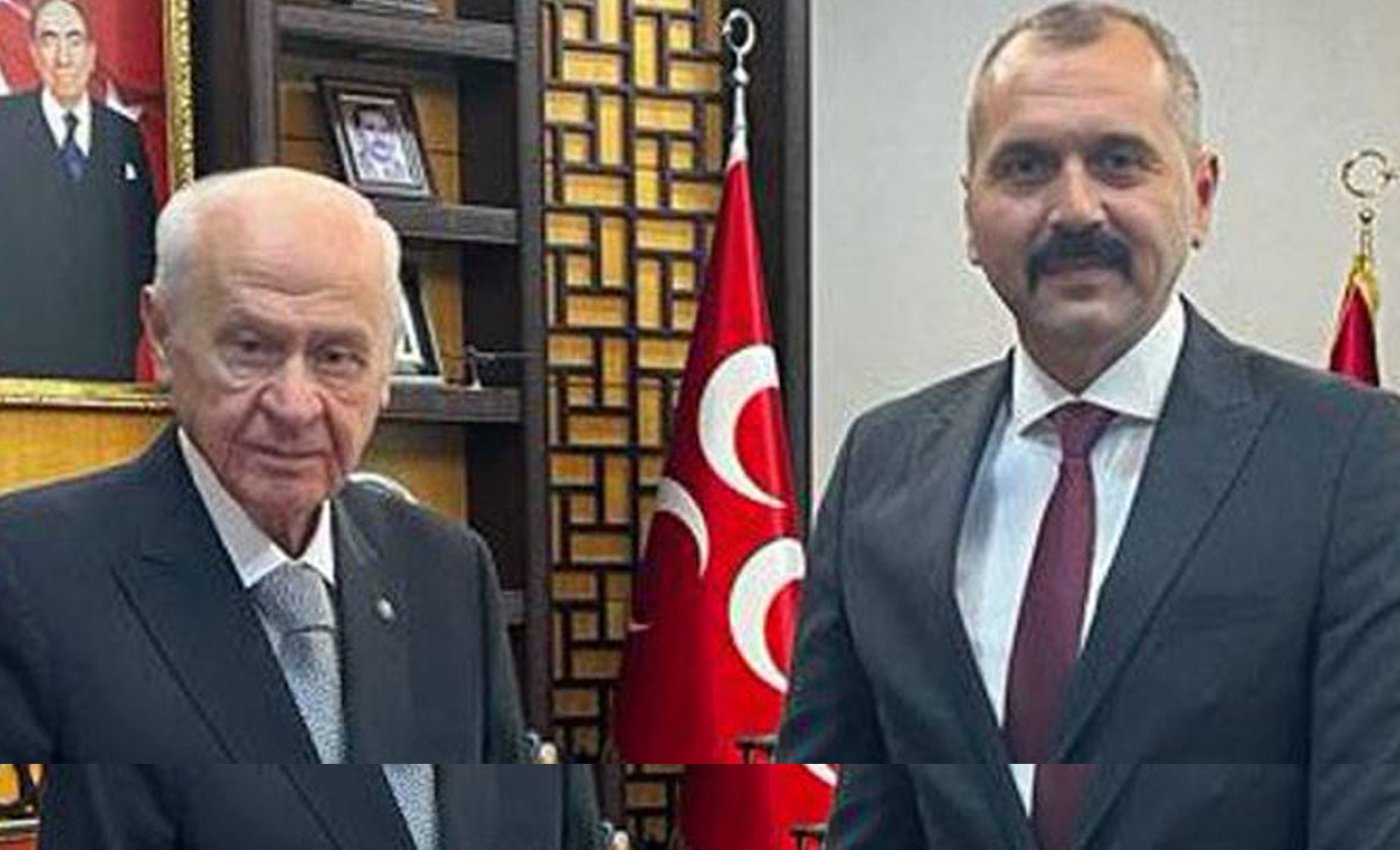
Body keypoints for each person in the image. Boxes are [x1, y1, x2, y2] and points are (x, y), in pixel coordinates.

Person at [778, 3, 1400, 848]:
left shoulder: (1353, 459)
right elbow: (865, 813)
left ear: (1201, 196)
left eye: (1119, 161)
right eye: (1025, 167)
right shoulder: (880, 467)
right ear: (971, 215)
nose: (1075, 208)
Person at [0, 167, 600, 847]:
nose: (293, 405)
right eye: (250, 348)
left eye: (337, 356)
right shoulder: (33, 573)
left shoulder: (446, 570)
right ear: (162, 335)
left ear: (387, 370)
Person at [0, 0, 155, 379]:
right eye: (49, 40)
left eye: (74, 40)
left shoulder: (123, 135)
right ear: (33, 52)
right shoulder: (4, 125)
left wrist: (123, 333)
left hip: (105, 358)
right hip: (17, 357)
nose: (63, 57)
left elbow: (143, 247)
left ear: (91, 51)